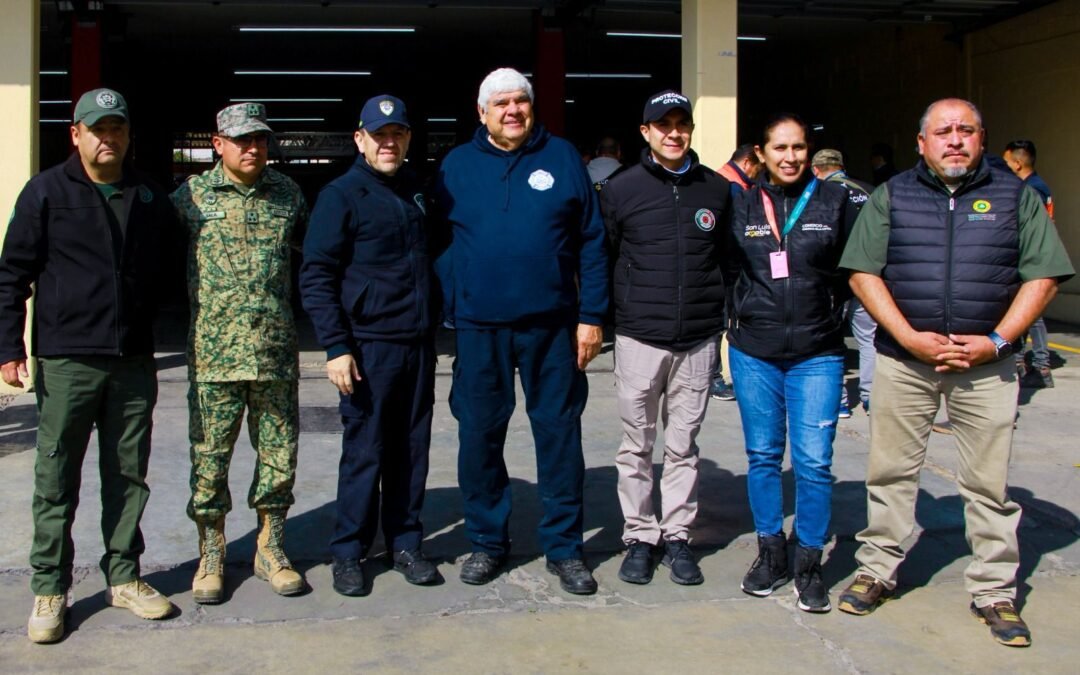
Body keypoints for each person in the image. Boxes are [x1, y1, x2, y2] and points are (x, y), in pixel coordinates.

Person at [837, 98, 1073, 647]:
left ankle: (994, 591)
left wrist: (997, 341)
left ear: (982, 138)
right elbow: (862, 273)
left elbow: (1044, 275)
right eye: (942, 131)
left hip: (986, 368)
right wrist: (907, 337)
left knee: (988, 484)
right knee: (891, 473)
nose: (954, 139)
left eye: (965, 130)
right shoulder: (891, 194)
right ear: (922, 143)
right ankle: (877, 569)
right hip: (905, 363)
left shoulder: (1017, 196)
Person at [0, 88, 175, 643]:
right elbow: (11, 275)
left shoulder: (147, 195)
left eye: (117, 127)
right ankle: (50, 588)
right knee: (56, 477)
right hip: (68, 359)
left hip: (131, 362)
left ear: (127, 134)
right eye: (97, 128)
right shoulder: (47, 192)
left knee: (128, 475)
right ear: (75, 134)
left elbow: (172, 267)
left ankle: (123, 577)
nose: (108, 137)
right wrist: (8, 346)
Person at [432, 67, 608, 595]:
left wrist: (592, 316)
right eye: (502, 102)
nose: (513, 110)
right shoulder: (455, 167)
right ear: (481, 112)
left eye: (521, 101)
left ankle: (564, 547)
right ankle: (487, 542)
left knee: (558, 434)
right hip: (480, 328)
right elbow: (434, 239)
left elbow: (593, 241)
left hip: (552, 326)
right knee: (479, 435)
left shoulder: (562, 159)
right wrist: (455, 300)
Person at [300, 95, 438, 596]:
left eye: (397, 134)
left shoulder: (417, 191)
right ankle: (348, 552)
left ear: (407, 139)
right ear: (360, 140)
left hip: (417, 344)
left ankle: (404, 543)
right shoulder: (341, 195)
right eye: (378, 135)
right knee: (366, 451)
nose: (388, 142)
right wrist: (336, 346)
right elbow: (316, 274)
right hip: (367, 347)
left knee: (411, 450)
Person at [171, 103, 309, 603]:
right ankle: (211, 550)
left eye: (260, 140)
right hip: (214, 357)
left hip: (275, 353)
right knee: (209, 462)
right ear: (218, 143)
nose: (252, 148)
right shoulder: (189, 197)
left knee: (278, 458)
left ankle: (271, 547)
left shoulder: (288, 195)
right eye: (242, 139)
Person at [728, 114, 861, 613]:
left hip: (818, 353)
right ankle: (770, 554)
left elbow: (858, 267)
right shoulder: (740, 203)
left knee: (813, 462)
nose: (790, 157)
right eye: (779, 148)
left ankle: (808, 562)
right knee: (763, 456)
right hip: (754, 352)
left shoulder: (836, 200)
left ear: (810, 151)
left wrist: (834, 311)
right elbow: (724, 267)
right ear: (760, 153)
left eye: (799, 148)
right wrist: (736, 314)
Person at [601, 90, 731, 586]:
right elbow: (605, 256)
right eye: (663, 125)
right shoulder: (621, 189)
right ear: (646, 133)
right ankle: (639, 535)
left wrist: (724, 319)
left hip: (697, 340)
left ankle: (677, 536)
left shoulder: (716, 191)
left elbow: (727, 260)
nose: (673, 133)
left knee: (683, 446)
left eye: (682, 124)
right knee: (637, 444)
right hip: (639, 339)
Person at [811, 149, 876, 416]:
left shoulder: (821, 195)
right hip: (869, 276)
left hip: (835, 278)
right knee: (869, 338)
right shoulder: (871, 191)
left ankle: (836, 401)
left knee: (830, 339)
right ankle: (872, 396)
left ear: (816, 170)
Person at [711, 143, 763, 402]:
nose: (758, 175)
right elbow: (733, 235)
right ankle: (714, 378)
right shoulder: (733, 188)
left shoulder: (720, 180)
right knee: (722, 324)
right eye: (757, 169)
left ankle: (714, 377)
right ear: (747, 163)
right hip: (726, 270)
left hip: (722, 268)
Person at [1003, 140, 1055, 388]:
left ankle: (1041, 366)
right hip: (1032, 256)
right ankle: (1022, 361)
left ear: (1017, 162)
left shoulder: (1031, 189)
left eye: (1006, 161)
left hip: (1030, 257)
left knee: (1031, 314)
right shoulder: (1036, 186)